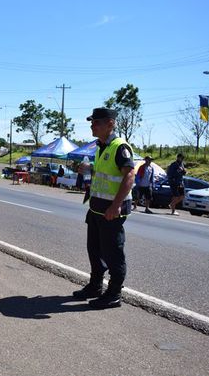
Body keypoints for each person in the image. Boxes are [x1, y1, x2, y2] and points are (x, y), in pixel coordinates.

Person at [73, 107, 135, 309]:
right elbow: (105, 173)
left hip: (111, 211)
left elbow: (129, 176)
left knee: (113, 252)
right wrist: (89, 169)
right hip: (97, 209)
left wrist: (116, 206)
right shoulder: (100, 146)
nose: (92, 125)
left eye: (96, 122)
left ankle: (114, 294)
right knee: (95, 250)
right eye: (92, 122)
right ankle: (95, 286)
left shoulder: (119, 146)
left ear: (110, 124)